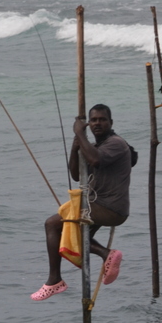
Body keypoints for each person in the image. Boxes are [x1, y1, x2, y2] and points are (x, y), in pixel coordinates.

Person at [31, 104, 133, 301]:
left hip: (110, 208)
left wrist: (81, 135)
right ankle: (105, 255)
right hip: (99, 206)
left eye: (102, 119)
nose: (97, 123)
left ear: (111, 123)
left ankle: (55, 280)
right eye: (93, 120)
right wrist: (76, 143)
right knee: (71, 235)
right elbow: (77, 174)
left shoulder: (116, 143)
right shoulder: (94, 146)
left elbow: (95, 160)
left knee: (52, 224)